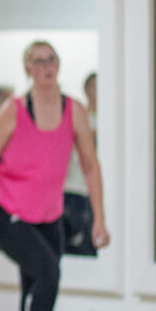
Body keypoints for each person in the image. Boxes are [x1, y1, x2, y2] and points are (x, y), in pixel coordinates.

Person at [0, 41, 107, 311]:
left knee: (33, 295)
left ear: (58, 65)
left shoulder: (74, 110)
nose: (46, 66)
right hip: (10, 213)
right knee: (49, 273)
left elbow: (91, 166)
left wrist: (100, 218)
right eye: (38, 61)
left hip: (50, 217)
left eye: (51, 60)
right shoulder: (14, 110)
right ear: (28, 69)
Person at [62, 70, 100, 258]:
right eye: (94, 86)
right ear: (87, 90)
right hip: (73, 190)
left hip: (93, 192)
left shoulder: (109, 123)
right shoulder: (77, 117)